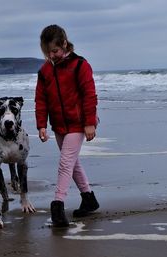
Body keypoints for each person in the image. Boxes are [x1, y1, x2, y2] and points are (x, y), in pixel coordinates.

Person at [35, 24, 99, 227]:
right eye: (47, 52)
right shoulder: (45, 71)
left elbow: (90, 95)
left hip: (79, 123)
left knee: (65, 162)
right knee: (72, 163)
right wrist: (41, 125)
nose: (51, 56)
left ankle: (58, 205)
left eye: (54, 51)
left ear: (64, 43)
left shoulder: (80, 65)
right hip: (59, 125)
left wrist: (89, 123)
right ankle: (88, 199)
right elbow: (41, 99)